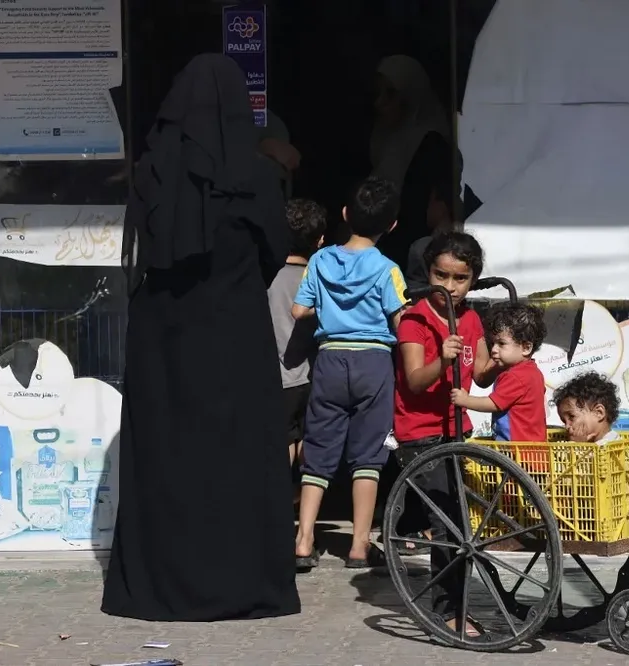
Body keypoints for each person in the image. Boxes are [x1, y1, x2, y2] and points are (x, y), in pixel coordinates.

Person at [103, 54, 300, 621]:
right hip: (234, 338)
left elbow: (138, 257)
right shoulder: (257, 178)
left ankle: (165, 582)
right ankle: (238, 582)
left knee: (168, 457)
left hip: (162, 344)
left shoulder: (150, 174)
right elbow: (271, 255)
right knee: (236, 458)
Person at [292, 176, 407, 571]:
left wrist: (326, 309)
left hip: (329, 360)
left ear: (345, 215)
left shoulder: (321, 261)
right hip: (373, 362)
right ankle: (359, 545)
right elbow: (400, 321)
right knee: (368, 456)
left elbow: (298, 311)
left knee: (318, 449)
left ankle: (304, 538)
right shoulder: (388, 268)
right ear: (391, 226)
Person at [393, 230, 499, 635]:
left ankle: (462, 598)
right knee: (445, 525)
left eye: (460, 279)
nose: (450, 287)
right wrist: (442, 359)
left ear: (473, 280)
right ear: (428, 272)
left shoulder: (472, 319)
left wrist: (512, 360)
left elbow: (484, 375)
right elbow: (416, 380)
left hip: (459, 429)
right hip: (421, 434)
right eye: (441, 276)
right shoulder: (415, 319)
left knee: (462, 521)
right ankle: (446, 609)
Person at [369, 55, 459, 268]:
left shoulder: (430, 142)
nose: (379, 103)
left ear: (410, 97)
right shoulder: (384, 135)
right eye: (377, 93)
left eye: (391, 94)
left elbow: (425, 212)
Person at [268, 199, 327, 470]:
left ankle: (281, 503)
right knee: (309, 439)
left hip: (278, 378)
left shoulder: (266, 278)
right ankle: (306, 502)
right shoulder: (321, 279)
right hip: (315, 374)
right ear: (320, 241)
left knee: (282, 440)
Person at [451, 302, 548, 442]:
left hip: (517, 451)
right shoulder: (532, 371)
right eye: (493, 343)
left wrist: (465, 400)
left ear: (526, 347)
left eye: (501, 344)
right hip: (528, 449)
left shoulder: (516, 376)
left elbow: (493, 404)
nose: (494, 350)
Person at [553, 372, 622, 446]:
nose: (567, 426)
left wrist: (578, 445)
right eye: (564, 421)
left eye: (572, 416)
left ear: (599, 413)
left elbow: (591, 457)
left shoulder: (609, 444)